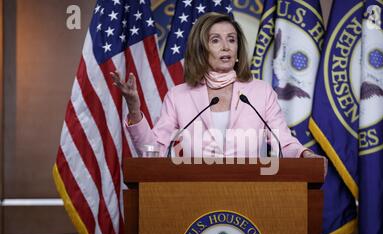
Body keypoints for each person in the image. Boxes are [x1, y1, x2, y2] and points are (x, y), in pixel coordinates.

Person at [111, 12, 327, 172]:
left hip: (251, 193)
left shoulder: (261, 93)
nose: (226, 47)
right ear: (201, 50)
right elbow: (154, 152)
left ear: (238, 49)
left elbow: (284, 143)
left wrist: (305, 154)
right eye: (215, 40)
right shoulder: (178, 96)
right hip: (193, 196)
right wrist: (134, 108)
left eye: (231, 40)